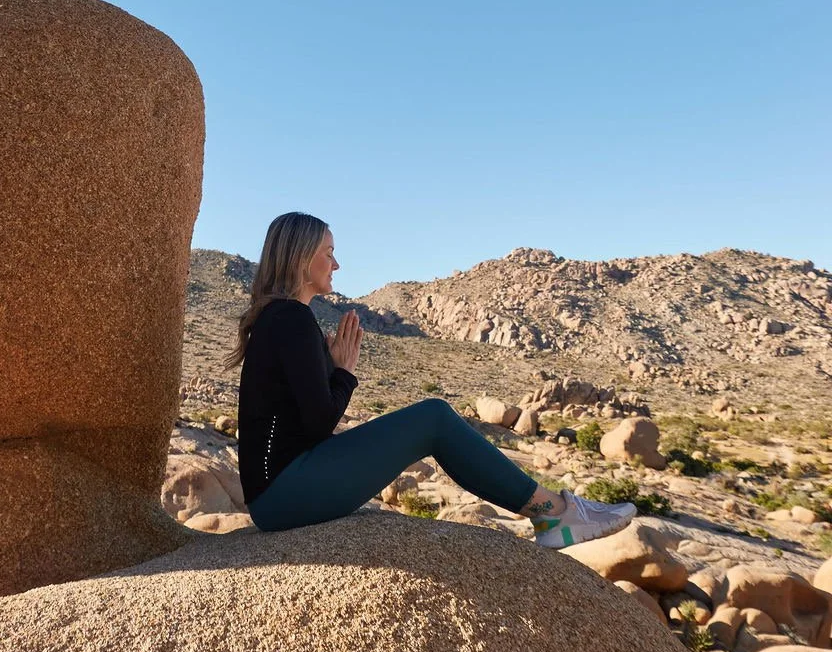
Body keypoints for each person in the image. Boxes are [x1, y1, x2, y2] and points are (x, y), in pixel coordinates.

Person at [226, 212, 638, 546]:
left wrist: (334, 371)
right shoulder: (290, 318)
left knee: (432, 419)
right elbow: (319, 423)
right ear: (301, 258)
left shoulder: (283, 318)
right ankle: (555, 514)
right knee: (434, 419)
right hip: (282, 494)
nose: (336, 264)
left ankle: (554, 512)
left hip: (281, 490)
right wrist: (344, 373)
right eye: (328, 253)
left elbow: (305, 426)